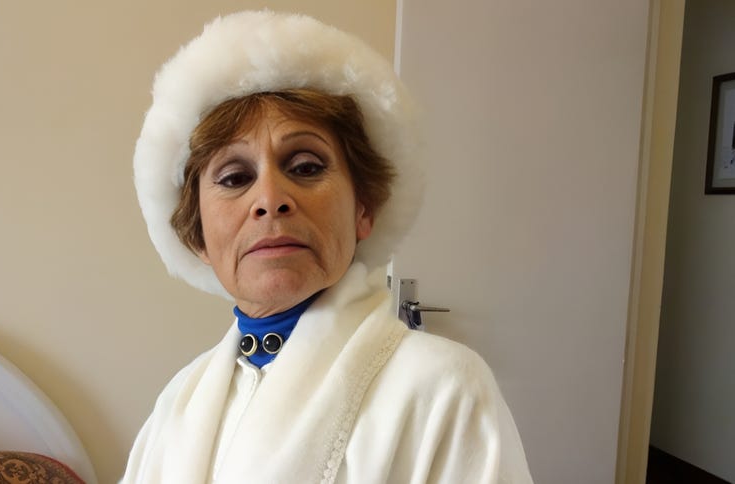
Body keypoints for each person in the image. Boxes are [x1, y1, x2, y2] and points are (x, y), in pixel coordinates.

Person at [123, 10, 533, 484]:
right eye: (235, 178)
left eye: (306, 167)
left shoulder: (443, 389)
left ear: (364, 208)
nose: (270, 199)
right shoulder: (175, 406)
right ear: (198, 235)